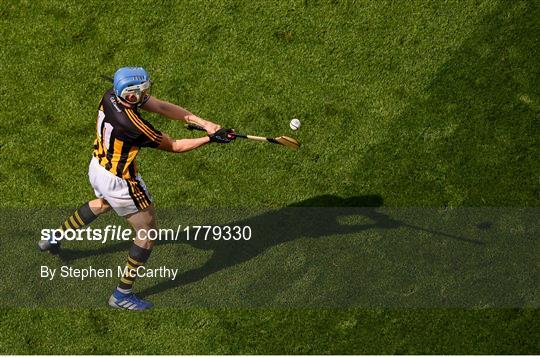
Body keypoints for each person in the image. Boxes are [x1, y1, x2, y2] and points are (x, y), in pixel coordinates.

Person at [38, 67, 235, 310]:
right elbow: (174, 146)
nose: (146, 95)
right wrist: (210, 139)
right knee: (148, 232)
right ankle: (121, 294)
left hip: (98, 167)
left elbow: (161, 107)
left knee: (102, 203)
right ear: (130, 95)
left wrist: (204, 123)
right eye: (142, 92)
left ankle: (53, 238)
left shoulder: (111, 94)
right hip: (121, 182)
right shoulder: (133, 125)